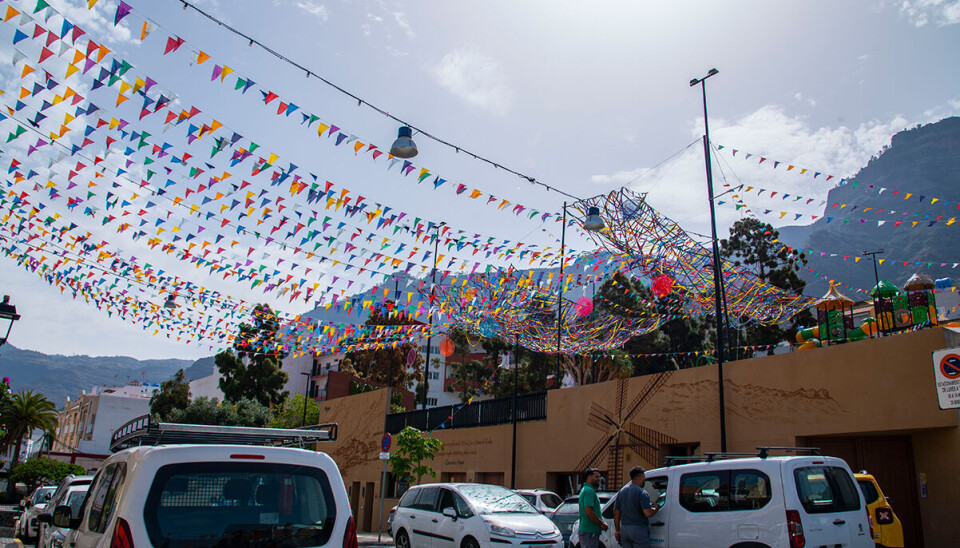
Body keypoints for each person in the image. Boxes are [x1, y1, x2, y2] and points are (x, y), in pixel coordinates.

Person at [613, 466, 660, 548]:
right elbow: (647, 513)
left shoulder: (621, 492)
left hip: (624, 530)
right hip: (639, 530)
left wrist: (617, 530)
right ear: (641, 477)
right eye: (644, 478)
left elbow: (616, 513)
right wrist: (656, 509)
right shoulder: (642, 493)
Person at [578, 468, 608, 548]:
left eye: (599, 477)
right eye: (596, 477)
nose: (599, 479)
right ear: (589, 477)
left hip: (588, 530)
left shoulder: (586, 489)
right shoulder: (589, 491)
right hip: (589, 531)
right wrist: (601, 523)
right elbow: (588, 511)